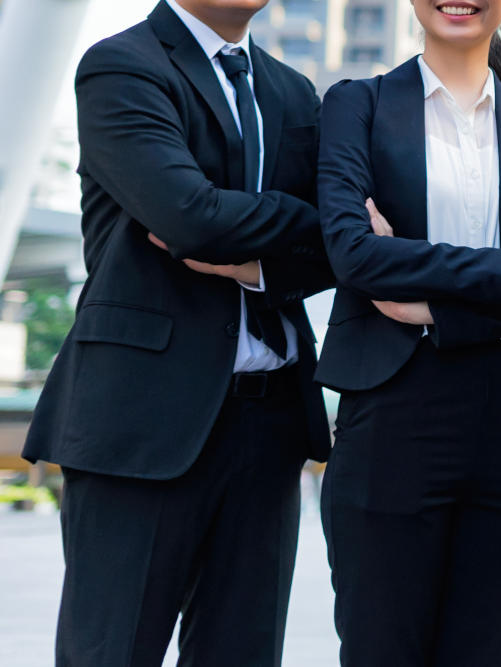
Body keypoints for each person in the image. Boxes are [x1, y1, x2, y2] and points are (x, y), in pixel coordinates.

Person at [24, 0, 333, 663]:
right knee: (112, 651)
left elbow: (341, 248)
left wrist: (261, 256)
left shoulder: (293, 91)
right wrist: (310, 219)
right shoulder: (121, 66)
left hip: (270, 422)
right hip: (141, 418)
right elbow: (188, 216)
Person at [313, 0, 501, 661]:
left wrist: (437, 308)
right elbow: (355, 255)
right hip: (392, 406)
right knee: (381, 647)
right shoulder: (357, 106)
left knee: (482, 650)